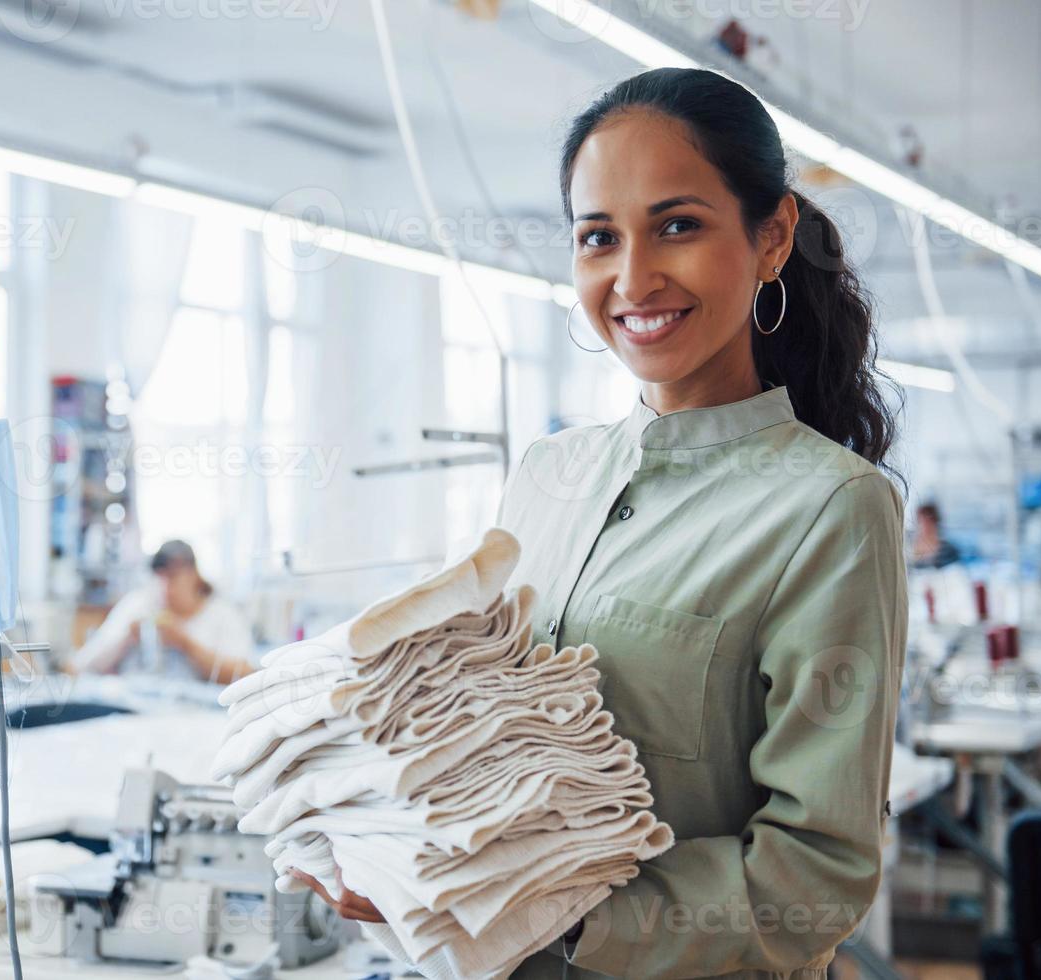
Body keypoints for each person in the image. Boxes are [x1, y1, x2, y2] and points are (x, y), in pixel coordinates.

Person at [290, 67, 908, 980]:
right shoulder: (547, 474)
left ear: (771, 237)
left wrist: (546, 914)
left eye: (677, 225)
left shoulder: (829, 508)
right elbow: (486, 737)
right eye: (597, 237)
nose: (631, 277)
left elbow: (815, 871)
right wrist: (396, 848)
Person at [66, 539, 256, 685]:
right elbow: (79, 667)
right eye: (159, 578)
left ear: (194, 574)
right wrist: (126, 639)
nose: (165, 588)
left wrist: (185, 644)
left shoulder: (223, 615)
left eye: (173, 577)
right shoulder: (138, 605)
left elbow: (245, 676)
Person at [909, 501, 961, 569]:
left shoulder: (949, 550)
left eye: (928, 522)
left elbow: (956, 570)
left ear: (935, 522)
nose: (925, 526)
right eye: (921, 522)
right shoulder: (909, 548)